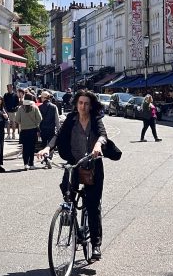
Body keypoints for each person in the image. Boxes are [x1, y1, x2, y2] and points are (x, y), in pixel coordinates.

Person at [37, 90, 108, 260]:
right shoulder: (71, 119)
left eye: (86, 103)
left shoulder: (95, 120)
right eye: (80, 103)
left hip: (92, 165)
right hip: (75, 164)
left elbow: (103, 135)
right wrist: (47, 148)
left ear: (91, 106)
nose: (83, 106)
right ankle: (69, 214)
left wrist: (98, 145)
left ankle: (96, 243)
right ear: (76, 104)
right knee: (66, 189)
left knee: (92, 205)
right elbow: (58, 135)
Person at [15, 92, 42, 170]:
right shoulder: (35, 108)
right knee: (32, 148)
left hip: (24, 130)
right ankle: (31, 164)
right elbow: (40, 118)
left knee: (25, 148)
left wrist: (23, 123)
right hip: (33, 130)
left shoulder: (20, 108)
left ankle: (25, 164)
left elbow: (17, 120)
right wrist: (35, 124)